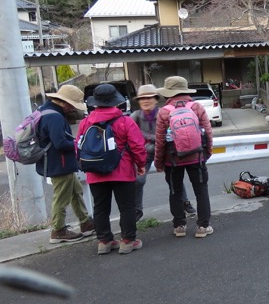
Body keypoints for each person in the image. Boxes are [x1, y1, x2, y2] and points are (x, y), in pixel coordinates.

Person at [77, 84, 148, 254]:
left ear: (96, 103)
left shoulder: (85, 122)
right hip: (122, 171)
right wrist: (140, 165)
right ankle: (127, 241)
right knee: (127, 207)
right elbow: (138, 146)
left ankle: (104, 242)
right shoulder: (125, 121)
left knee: (100, 207)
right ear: (116, 102)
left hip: (95, 171)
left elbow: (78, 146)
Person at [154, 76, 215, 238]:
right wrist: (207, 152)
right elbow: (208, 133)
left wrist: (159, 162)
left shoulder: (164, 112)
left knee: (175, 191)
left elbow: (160, 141)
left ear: (168, 93)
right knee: (201, 190)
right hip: (197, 156)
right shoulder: (196, 107)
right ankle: (203, 227)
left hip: (172, 160)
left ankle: (179, 225)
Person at [35, 85, 96, 243]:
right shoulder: (54, 116)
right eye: (73, 105)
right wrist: (79, 144)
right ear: (66, 103)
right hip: (59, 163)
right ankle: (58, 230)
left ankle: (85, 223)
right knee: (62, 197)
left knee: (76, 191)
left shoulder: (45, 111)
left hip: (57, 162)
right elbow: (60, 143)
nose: (72, 109)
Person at [130, 84, 194, 221]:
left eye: (149, 97)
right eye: (142, 98)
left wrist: (145, 136)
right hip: (144, 154)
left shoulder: (163, 113)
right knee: (138, 180)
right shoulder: (135, 116)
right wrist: (153, 139)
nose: (145, 101)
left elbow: (168, 135)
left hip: (164, 152)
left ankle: (185, 202)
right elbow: (131, 135)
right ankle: (137, 209)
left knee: (173, 180)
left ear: (155, 99)